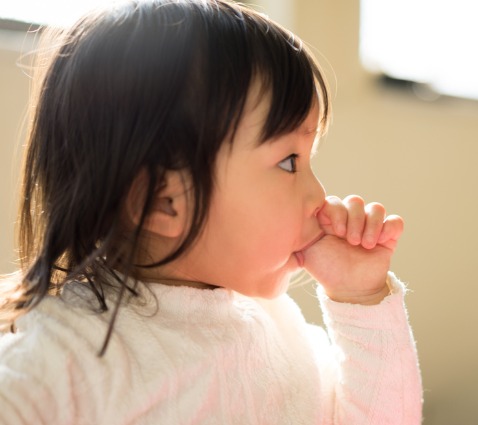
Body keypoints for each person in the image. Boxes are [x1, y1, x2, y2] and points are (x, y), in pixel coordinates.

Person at [0, 0, 422, 423]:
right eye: (289, 161)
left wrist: (362, 298)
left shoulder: (277, 329)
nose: (319, 196)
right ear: (164, 201)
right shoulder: (62, 356)